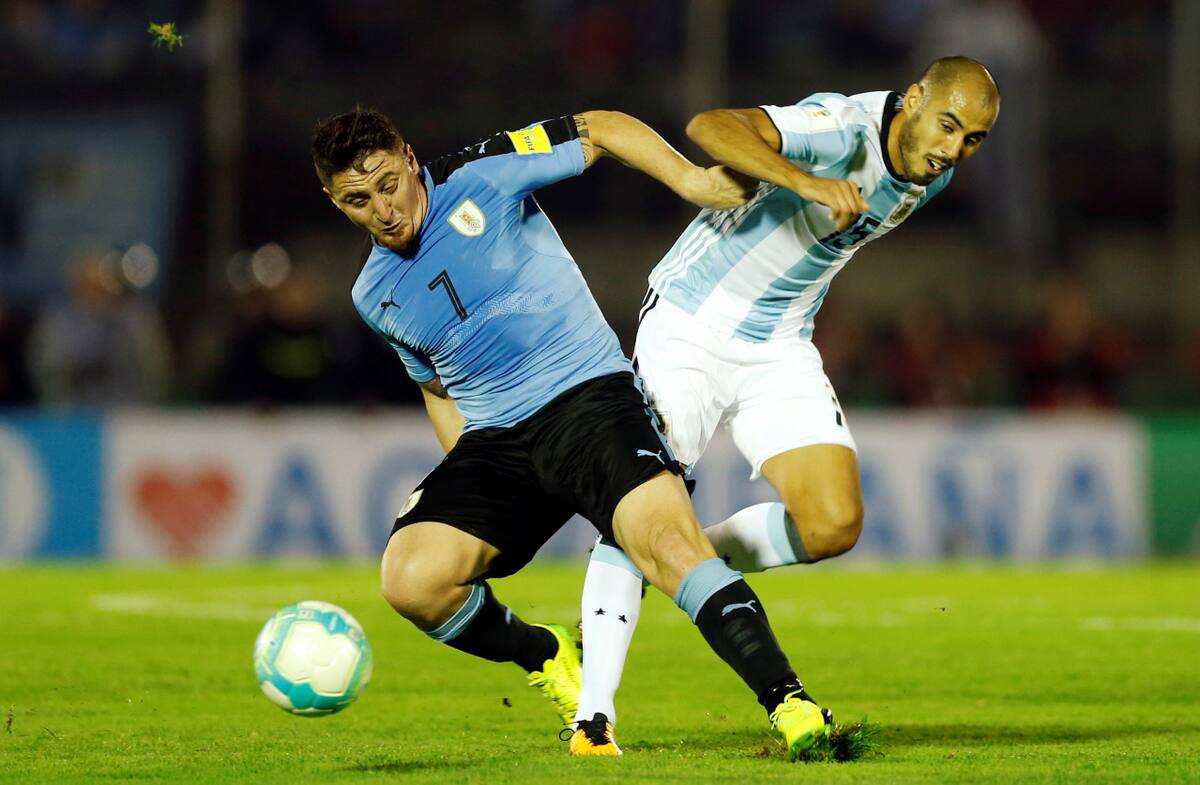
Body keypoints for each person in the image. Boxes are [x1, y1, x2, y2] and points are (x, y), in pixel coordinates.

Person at [312, 107, 836, 759]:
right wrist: (471, 468)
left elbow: (600, 127)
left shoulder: (482, 174)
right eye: (358, 201)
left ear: (410, 160)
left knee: (671, 547)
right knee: (410, 580)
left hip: (589, 400)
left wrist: (692, 181)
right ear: (337, 203)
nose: (383, 210)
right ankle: (547, 653)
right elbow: (435, 384)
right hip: (499, 444)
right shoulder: (373, 293)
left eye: (388, 184)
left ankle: (789, 699)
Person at [572, 56, 1001, 754]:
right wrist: (804, 178)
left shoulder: (931, 172)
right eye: (948, 124)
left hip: (778, 343)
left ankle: (687, 559)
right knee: (643, 504)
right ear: (915, 97)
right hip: (691, 322)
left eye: (973, 139)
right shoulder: (842, 130)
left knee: (833, 523)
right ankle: (592, 717)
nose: (953, 148)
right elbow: (710, 126)